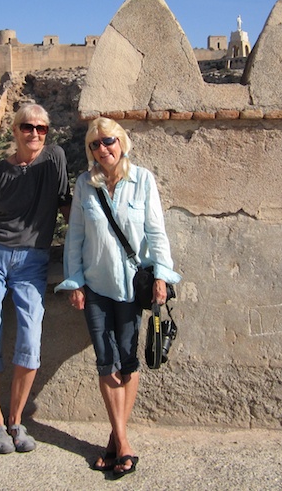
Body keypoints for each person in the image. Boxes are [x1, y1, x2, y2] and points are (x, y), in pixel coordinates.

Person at [55, 117, 180, 477]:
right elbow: (75, 235)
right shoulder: (84, 184)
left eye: (108, 141)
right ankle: (124, 444)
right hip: (95, 286)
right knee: (104, 359)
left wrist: (161, 275)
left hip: (131, 287)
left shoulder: (142, 180)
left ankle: (115, 440)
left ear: (121, 143)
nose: (102, 149)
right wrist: (74, 281)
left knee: (127, 358)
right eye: (94, 144)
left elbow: (156, 231)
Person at [0, 103, 71, 454]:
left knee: (30, 336)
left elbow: (64, 204)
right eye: (28, 127)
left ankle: (16, 420)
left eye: (42, 128)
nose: (35, 134)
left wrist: (85, 250)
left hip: (32, 261)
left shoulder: (55, 158)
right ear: (14, 130)